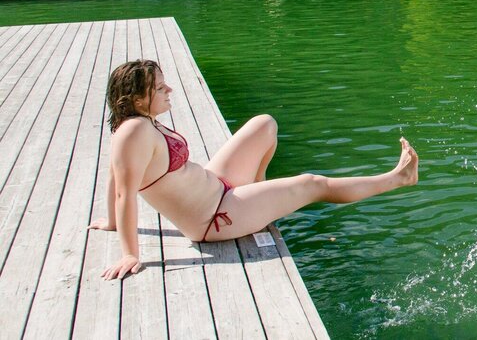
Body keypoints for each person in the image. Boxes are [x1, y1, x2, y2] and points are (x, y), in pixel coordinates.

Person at [89, 60, 419, 280]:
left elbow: (114, 174)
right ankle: (398, 178)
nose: (169, 90)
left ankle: (258, 193)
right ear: (137, 98)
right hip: (215, 218)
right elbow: (123, 191)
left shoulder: (140, 124)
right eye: (160, 88)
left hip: (217, 187)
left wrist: (113, 223)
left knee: (264, 124)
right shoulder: (134, 132)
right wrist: (130, 253)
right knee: (312, 184)